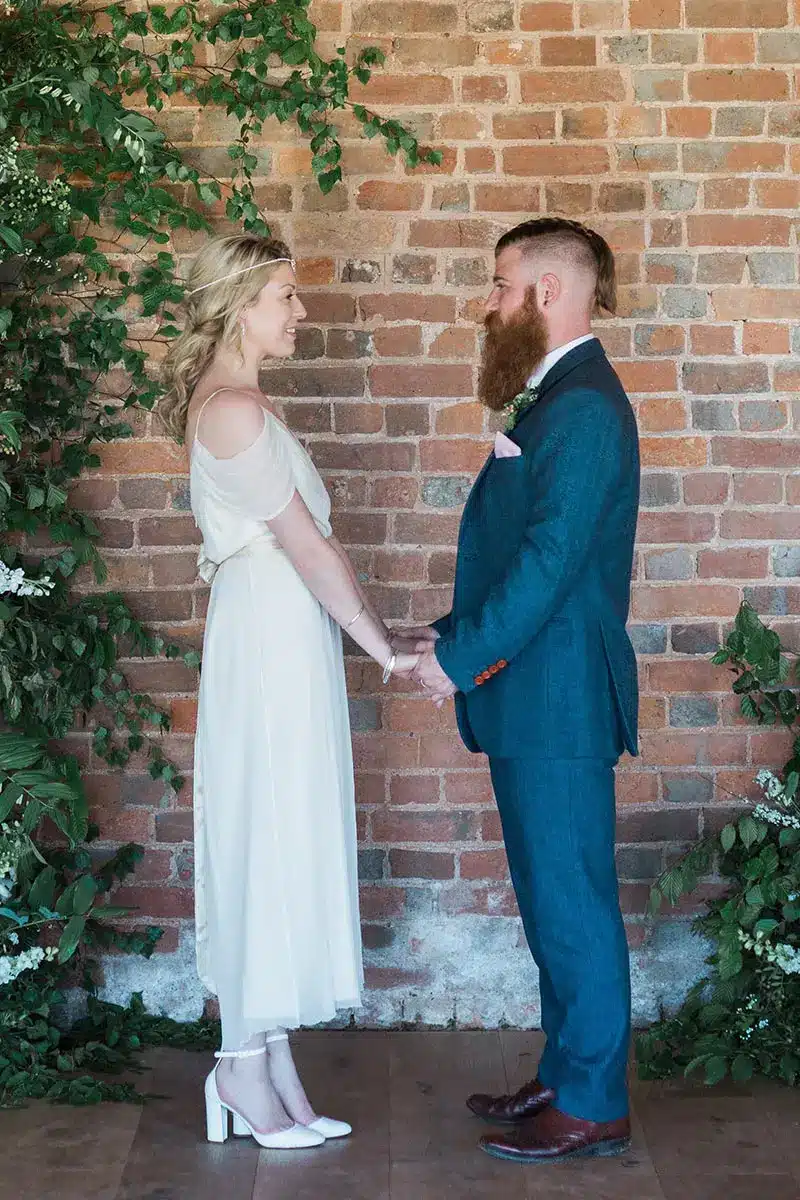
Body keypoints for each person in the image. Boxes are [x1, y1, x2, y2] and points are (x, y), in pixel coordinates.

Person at [159, 234, 417, 1150]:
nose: (298, 313)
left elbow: (305, 551)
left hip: (282, 631)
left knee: (279, 826)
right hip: (267, 637)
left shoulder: (243, 403)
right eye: (283, 297)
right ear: (237, 305)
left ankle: (265, 1059)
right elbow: (306, 546)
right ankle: (237, 1064)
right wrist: (381, 651)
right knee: (262, 832)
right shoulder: (231, 410)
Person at [394, 217, 640, 1163]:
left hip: (559, 699)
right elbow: (525, 567)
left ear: (546, 292)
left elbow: (547, 568)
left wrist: (456, 664)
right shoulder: (558, 399)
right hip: (534, 694)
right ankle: (569, 1066)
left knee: (571, 900)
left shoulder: (581, 408)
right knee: (550, 898)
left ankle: (592, 1103)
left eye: (500, 285)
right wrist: (446, 634)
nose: (487, 302)